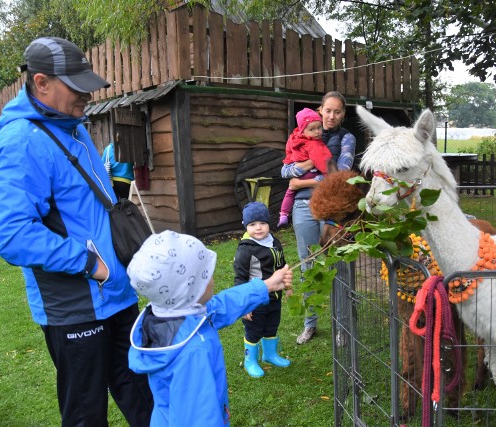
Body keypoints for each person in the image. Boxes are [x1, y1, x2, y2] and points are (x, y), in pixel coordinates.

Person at [0, 37, 153, 426]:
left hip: (117, 294)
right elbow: (11, 233)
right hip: (76, 307)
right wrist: (89, 263)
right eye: (77, 85)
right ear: (41, 82)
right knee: (86, 413)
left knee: (142, 394)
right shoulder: (20, 142)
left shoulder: (72, 127)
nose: (88, 94)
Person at [127, 230, 293, 426]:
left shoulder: (168, 314)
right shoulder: (192, 353)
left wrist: (265, 286)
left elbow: (222, 305)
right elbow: (201, 419)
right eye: (207, 275)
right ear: (190, 290)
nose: (212, 279)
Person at [281, 91, 357, 345]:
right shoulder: (300, 133)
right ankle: (310, 324)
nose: (332, 116)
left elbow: (342, 173)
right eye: (328, 110)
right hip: (303, 207)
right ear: (320, 110)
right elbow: (285, 169)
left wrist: (303, 180)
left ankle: (341, 326)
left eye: (337, 111)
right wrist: (302, 169)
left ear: (343, 114)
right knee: (308, 264)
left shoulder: (346, 138)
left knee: (337, 264)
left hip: (332, 208)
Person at [234, 202, 292, 377]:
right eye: (252, 225)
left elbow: (282, 267)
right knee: (254, 330)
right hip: (255, 300)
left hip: (275, 297)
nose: (258, 228)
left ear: (269, 223)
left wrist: (288, 286)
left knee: (271, 326)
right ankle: (250, 360)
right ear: (246, 226)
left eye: (262, 223)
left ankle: (269, 354)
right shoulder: (245, 250)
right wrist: (245, 305)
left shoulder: (274, 242)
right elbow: (240, 278)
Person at [277, 108, 332, 228]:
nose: (317, 132)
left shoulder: (294, 139)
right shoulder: (314, 144)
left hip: (298, 176)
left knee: (290, 191)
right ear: (303, 131)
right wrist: (328, 174)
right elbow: (323, 161)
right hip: (311, 176)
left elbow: (288, 160)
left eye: (319, 127)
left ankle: (283, 215)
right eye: (312, 129)